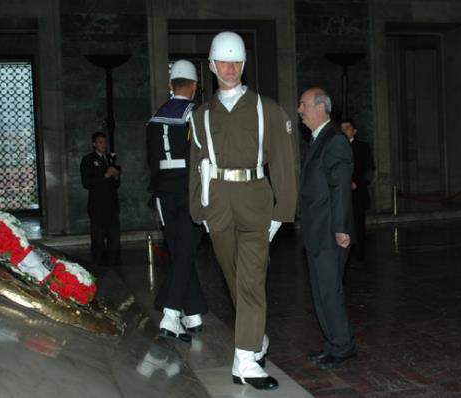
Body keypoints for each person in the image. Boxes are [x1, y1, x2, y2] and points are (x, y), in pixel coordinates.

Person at [189, 31, 298, 391]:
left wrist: (282, 212)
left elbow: (283, 163)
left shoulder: (267, 109)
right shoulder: (200, 116)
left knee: (251, 280)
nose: (230, 68)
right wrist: (199, 210)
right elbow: (196, 165)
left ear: (244, 65)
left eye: (236, 62)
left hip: (256, 203)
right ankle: (256, 336)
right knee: (235, 280)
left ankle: (246, 359)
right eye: (224, 61)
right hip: (218, 205)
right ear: (212, 66)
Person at [146, 60, 208, 343]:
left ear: (170, 86)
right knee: (184, 253)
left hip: (162, 194)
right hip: (189, 190)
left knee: (182, 251)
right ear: (194, 86)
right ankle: (171, 315)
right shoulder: (195, 114)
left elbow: (151, 161)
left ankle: (193, 314)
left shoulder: (155, 118)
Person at [298, 87, 356, 370]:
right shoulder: (319, 139)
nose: (300, 110)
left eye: (303, 104)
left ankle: (344, 346)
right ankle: (333, 343)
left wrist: (341, 228)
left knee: (330, 290)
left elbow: (341, 187)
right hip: (316, 230)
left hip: (330, 231)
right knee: (321, 290)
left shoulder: (334, 140)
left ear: (321, 107)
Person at [80, 132, 120, 267]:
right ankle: (98, 263)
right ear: (94, 144)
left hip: (112, 203)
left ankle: (114, 262)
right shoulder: (88, 160)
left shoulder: (109, 159)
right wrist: (105, 175)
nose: (104, 145)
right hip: (97, 204)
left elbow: (116, 184)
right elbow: (86, 182)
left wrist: (116, 176)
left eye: (105, 142)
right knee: (98, 235)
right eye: (100, 142)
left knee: (114, 234)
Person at [340, 118, 375, 261]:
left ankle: (360, 252)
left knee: (358, 223)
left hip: (357, 192)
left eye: (347, 128)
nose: (344, 131)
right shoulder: (336, 147)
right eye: (342, 128)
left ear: (354, 131)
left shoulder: (362, 147)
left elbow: (369, 170)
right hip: (340, 192)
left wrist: (357, 183)